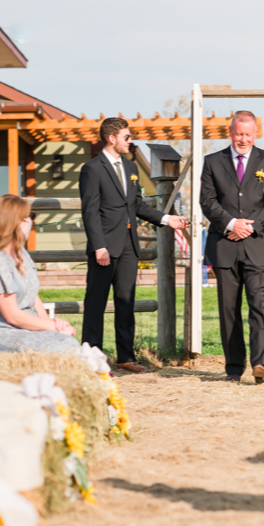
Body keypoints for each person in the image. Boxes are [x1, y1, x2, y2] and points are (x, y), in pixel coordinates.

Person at [78, 117, 187, 372]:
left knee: (126, 302)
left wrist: (166, 219)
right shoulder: (91, 169)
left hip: (129, 246)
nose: (130, 141)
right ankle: (92, 360)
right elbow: (90, 211)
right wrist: (99, 246)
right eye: (126, 137)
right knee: (95, 304)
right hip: (104, 247)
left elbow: (137, 205)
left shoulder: (130, 167)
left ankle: (126, 358)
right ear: (111, 138)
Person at [199, 110, 264, 383]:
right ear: (230, 133)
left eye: (248, 134)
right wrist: (231, 223)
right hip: (224, 245)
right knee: (228, 310)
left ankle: (260, 363)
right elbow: (207, 201)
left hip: (257, 245)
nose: (243, 139)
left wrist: (250, 226)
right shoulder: (212, 162)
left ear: (255, 134)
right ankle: (234, 368)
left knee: (258, 303)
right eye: (239, 134)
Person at [0, 194, 80, 354]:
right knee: (64, 346)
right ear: (15, 222)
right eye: (29, 216)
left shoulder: (22, 254)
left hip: (26, 327)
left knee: (67, 342)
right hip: (0, 330)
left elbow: (32, 297)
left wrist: (53, 325)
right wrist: (52, 327)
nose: (31, 222)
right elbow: (12, 316)